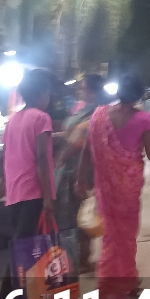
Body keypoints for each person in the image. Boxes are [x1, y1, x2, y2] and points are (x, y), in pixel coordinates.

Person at [79, 74, 150, 299]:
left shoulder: (99, 115)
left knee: (112, 235)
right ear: (139, 95)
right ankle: (110, 290)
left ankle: (123, 283)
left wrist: (80, 178)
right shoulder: (143, 119)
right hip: (128, 190)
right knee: (124, 238)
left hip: (105, 187)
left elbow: (88, 150)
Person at [0, 68, 57, 299]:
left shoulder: (14, 120)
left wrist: (3, 182)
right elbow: (42, 159)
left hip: (15, 192)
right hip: (33, 192)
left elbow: (5, 154)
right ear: (42, 94)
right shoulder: (41, 118)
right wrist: (48, 196)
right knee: (21, 252)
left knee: (29, 250)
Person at [54, 74, 105, 273]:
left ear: (92, 91)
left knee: (79, 216)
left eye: (83, 87)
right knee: (77, 214)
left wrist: (61, 157)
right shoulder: (84, 109)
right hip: (74, 168)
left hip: (81, 170)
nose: (79, 90)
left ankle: (79, 260)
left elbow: (78, 141)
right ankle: (79, 258)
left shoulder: (95, 113)